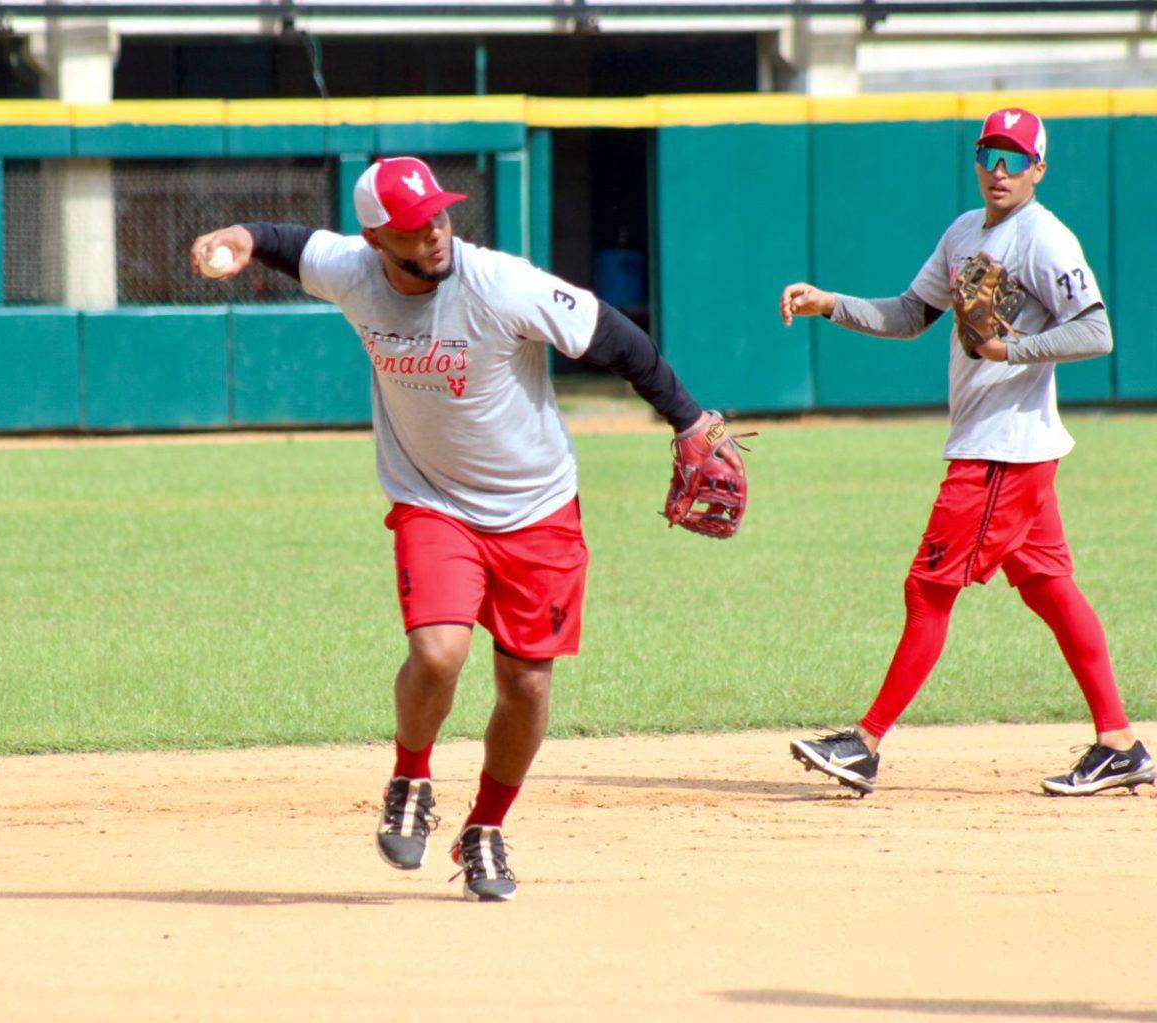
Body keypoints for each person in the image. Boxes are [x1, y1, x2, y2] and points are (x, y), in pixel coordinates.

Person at [191, 156, 744, 900]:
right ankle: (411, 776)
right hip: (433, 500)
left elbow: (614, 338)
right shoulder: (352, 271)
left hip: (538, 507)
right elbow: (282, 240)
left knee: (525, 681)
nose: (437, 234)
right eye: (417, 228)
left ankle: (485, 827)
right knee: (438, 651)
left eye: (442, 216)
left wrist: (687, 418)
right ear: (378, 238)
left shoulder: (500, 284)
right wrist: (235, 239)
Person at [779, 107, 1152, 798]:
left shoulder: (1045, 238)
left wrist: (1012, 348)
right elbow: (910, 314)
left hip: (1000, 452)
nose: (1000, 170)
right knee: (1048, 586)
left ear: (1040, 168)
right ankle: (1119, 741)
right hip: (1007, 446)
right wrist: (830, 302)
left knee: (929, 588)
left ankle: (863, 744)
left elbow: (1096, 330)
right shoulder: (962, 231)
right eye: (990, 155)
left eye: (1016, 158)